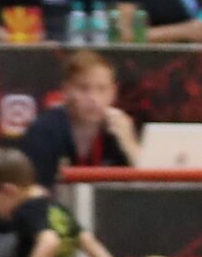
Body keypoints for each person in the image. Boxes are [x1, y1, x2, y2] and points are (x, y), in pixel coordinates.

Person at [14, 49, 137, 187]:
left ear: (113, 92)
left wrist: (130, 145)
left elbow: (147, 187)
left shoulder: (120, 130)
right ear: (66, 90)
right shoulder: (44, 130)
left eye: (102, 89)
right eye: (83, 89)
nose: (93, 98)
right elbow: (32, 188)